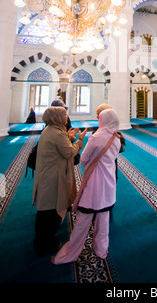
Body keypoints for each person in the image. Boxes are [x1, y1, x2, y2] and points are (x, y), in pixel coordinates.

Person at [52, 109, 121, 264]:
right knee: (103, 220)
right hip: (109, 184)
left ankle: (71, 252)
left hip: (94, 184)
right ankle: (101, 250)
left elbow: (83, 159)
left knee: (83, 221)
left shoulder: (96, 137)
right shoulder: (117, 138)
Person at [32, 106, 87, 256]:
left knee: (45, 211)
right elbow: (69, 152)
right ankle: (46, 243)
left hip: (48, 175)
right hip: (53, 178)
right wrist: (80, 141)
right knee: (50, 212)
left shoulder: (50, 130)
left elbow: (61, 147)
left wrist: (68, 138)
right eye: (64, 115)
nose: (66, 117)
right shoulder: (57, 133)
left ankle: (43, 240)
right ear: (57, 117)